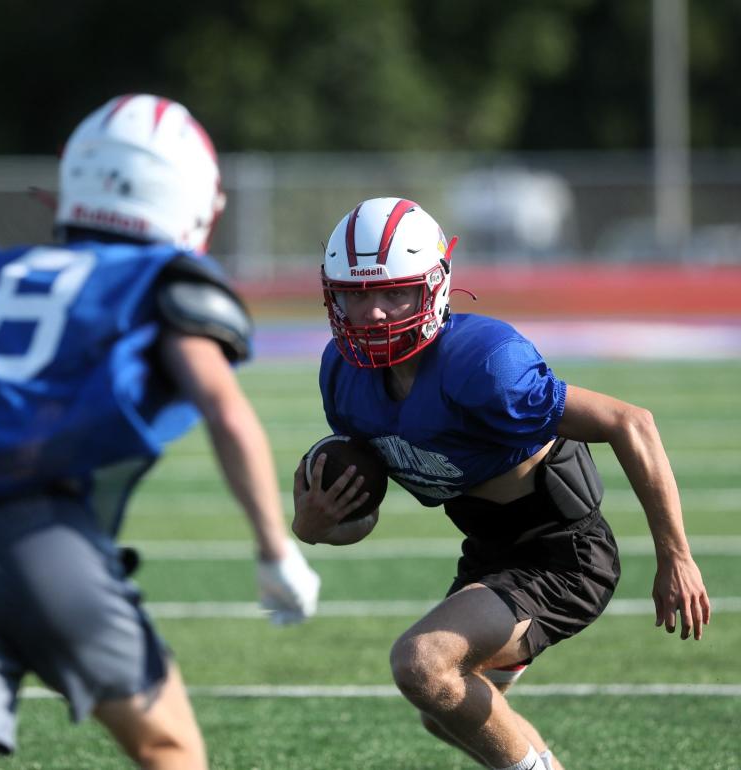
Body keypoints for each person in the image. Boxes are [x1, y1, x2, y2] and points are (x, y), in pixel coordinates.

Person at [0, 93, 321, 770]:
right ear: (187, 195)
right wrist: (275, 551)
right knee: (169, 746)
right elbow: (226, 408)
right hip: (50, 537)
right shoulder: (155, 278)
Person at [292, 197, 710, 770]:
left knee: (424, 665)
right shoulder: (343, 376)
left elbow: (630, 421)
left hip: (563, 554)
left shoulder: (484, 366)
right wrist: (312, 526)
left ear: (434, 287)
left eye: (395, 292)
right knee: (444, 710)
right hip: (488, 553)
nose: (375, 314)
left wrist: (676, 555)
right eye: (357, 294)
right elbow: (363, 505)